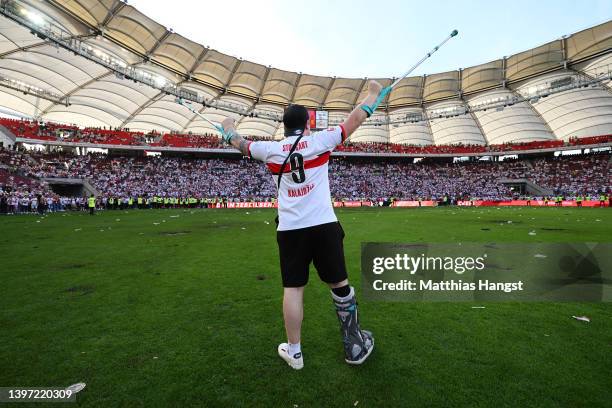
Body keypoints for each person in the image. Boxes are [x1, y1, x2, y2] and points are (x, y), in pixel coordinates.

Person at [219, 80, 388, 370]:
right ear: (307, 124)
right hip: (323, 225)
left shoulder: (269, 149)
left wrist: (228, 128)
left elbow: (241, 144)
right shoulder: (321, 141)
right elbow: (355, 119)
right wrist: (372, 96)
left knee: (293, 289)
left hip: (290, 230)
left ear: (284, 127)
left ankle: (295, 353)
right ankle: (354, 346)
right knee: (339, 284)